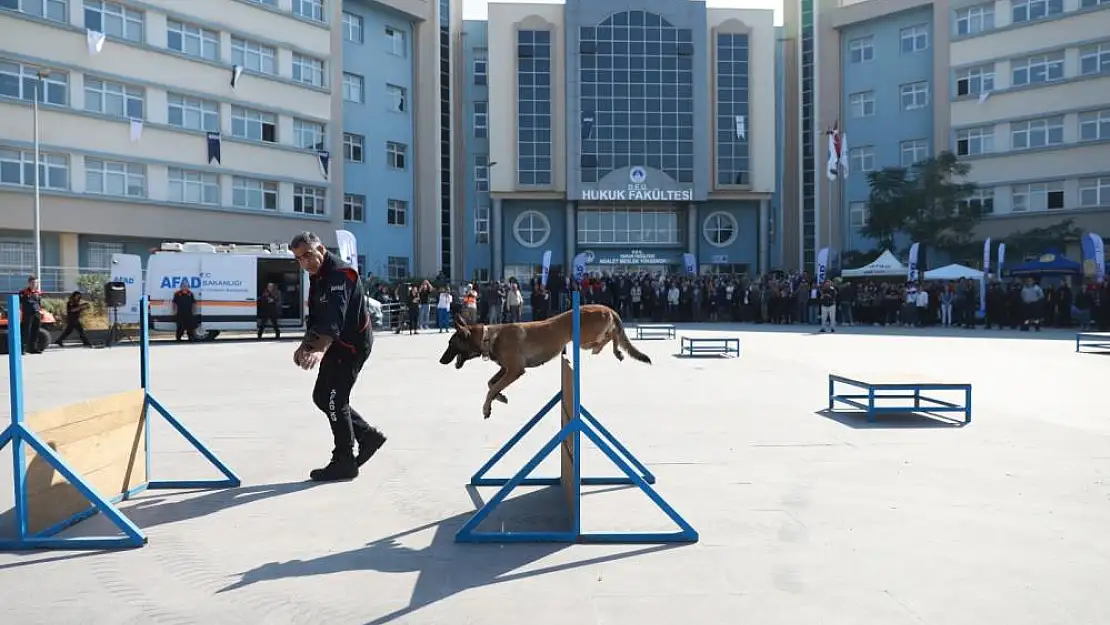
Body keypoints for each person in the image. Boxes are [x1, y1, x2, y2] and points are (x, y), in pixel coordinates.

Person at [289, 231, 387, 482]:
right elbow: (317, 317)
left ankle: (344, 460)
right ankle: (367, 436)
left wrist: (320, 349)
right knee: (322, 396)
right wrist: (306, 344)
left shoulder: (341, 274)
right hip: (336, 345)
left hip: (351, 346)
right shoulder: (317, 275)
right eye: (299, 259)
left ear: (320, 249)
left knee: (334, 399)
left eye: (308, 255)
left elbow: (335, 316)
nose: (305, 263)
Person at [18, 276, 44, 354]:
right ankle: (22, 349)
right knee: (26, 332)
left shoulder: (38, 293)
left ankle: (33, 348)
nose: (34, 284)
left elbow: (39, 304)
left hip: (36, 314)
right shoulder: (23, 292)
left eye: (36, 283)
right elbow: (19, 303)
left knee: (35, 331)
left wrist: (40, 312)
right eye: (32, 282)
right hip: (27, 315)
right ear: (29, 283)